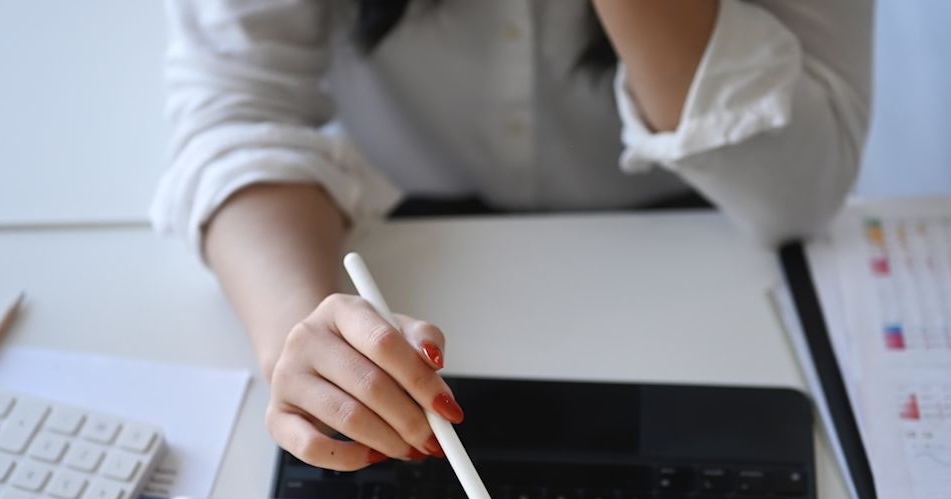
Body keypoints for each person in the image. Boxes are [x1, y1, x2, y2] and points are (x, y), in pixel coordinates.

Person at [152, 0, 872, 471]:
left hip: (697, 231)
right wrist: (304, 334)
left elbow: (796, 196)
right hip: (401, 228)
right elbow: (233, 113)